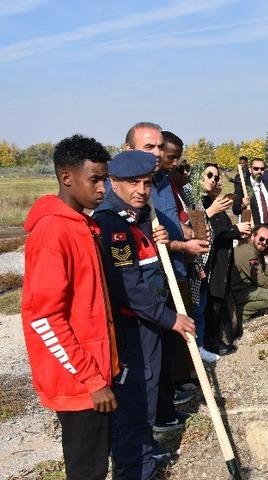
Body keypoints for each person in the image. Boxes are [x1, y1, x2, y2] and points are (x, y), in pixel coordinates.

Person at [92, 150, 196, 480]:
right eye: (132, 182)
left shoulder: (139, 219)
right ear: (113, 182)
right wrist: (170, 319)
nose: (141, 189)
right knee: (135, 403)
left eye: (147, 182)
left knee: (146, 398)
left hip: (149, 325)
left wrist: (159, 239)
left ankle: (144, 458)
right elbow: (129, 288)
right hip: (133, 327)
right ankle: (135, 469)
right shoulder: (112, 224)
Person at [22, 135, 116, 480]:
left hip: (96, 373)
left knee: (95, 464)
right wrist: (92, 380)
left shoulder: (85, 226)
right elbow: (43, 317)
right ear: (66, 178)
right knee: (86, 470)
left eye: (105, 178)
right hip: (80, 383)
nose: (103, 188)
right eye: (95, 179)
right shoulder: (53, 233)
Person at [124, 125, 202, 435]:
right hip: (139, 296)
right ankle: (149, 426)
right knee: (145, 363)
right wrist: (181, 244)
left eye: (159, 148)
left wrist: (180, 235)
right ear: (129, 148)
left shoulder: (161, 182)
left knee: (163, 353)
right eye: (149, 148)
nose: (157, 154)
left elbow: (167, 227)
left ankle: (163, 411)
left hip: (165, 278)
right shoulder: (121, 193)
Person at [198, 163, 252, 354]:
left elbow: (224, 228)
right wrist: (234, 230)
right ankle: (209, 343)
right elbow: (204, 232)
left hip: (224, 257)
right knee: (211, 303)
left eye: (216, 177)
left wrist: (238, 232)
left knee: (220, 299)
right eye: (209, 176)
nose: (214, 180)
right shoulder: (199, 203)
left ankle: (219, 338)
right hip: (209, 262)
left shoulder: (216, 204)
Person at [231, 157, 268, 277]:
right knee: (255, 260)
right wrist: (243, 204)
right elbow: (235, 210)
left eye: (262, 168)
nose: (259, 171)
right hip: (255, 229)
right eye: (256, 168)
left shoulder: (267, 184)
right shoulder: (244, 187)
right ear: (251, 169)